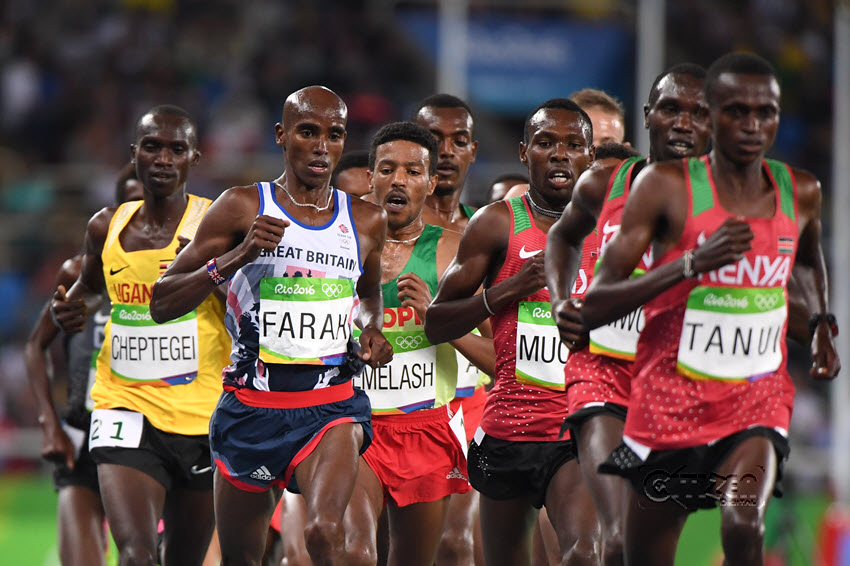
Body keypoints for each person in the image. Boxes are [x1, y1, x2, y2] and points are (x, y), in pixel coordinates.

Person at [581, 52, 840, 566]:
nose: (751, 125)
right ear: (714, 114)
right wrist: (692, 264)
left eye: (765, 113)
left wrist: (821, 326)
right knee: (632, 555)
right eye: (736, 111)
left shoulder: (801, 191)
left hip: (754, 404)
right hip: (668, 406)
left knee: (744, 522)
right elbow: (599, 301)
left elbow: (808, 262)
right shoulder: (664, 189)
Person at [148, 85, 393, 566]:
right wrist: (238, 256)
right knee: (245, 557)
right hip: (251, 409)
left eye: (335, 134)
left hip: (331, 407)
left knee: (325, 533)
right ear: (281, 136)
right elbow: (162, 302)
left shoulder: (365, 219)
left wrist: (372, 327)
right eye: (308, 132)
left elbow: (368, 292)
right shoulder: (241, 205)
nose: (322, 146)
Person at [546, 63, 711, 566]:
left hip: (679, 386)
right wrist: (560, 301)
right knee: (613, 537)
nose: (682, 123)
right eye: (669, 109)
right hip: (601, 374)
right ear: (647, 117)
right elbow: (562, 236)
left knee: (648, 550)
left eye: (698, 113)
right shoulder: (605, 182)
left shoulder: (734, 204)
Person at [49, 105, 229, 566]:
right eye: (152, 147)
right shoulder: (106, 225)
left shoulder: (215, 226)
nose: (164, 159)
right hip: (122, 406)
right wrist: (68, 306)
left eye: (176, 149)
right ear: (135, 154)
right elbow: (89, 291)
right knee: (135, 554)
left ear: (195, 158)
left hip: (201, 417)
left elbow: (248, 307)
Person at [426, 98, 599, 566]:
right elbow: (436, 321)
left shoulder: (611, 232)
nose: (560, 154)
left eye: (572, 145)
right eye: (546, 143)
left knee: (585, 553)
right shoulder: (498, 223)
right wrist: (510, 289)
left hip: (579, 429)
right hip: (510, 430)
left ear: (591, 156)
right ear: (524, 154)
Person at [343, 121, 494, 566]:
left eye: (413, 171)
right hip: (351, 422)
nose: (399, 180)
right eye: (387, 169)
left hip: (427, 427)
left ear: (430, 183)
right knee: (353, 550)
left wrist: (439, 321)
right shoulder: (337, 243)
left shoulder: (456, 251)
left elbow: (500, 359)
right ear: (370, 177)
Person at [25, 163, 142, 566]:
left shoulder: (181, 276)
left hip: (157, 436)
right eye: (130, 204)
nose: (140, 216)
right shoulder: (79, 272)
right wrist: (50, 425)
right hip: (84, 437)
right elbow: (35, 347)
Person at [412, 93, 491, 566]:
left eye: (458, 141)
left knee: (457, 544)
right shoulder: (380, 227)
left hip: (468, 406)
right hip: (393, 410)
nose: (446, 152)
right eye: (433, 140)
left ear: (473, 151)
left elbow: (501, 338)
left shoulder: (484, 234)